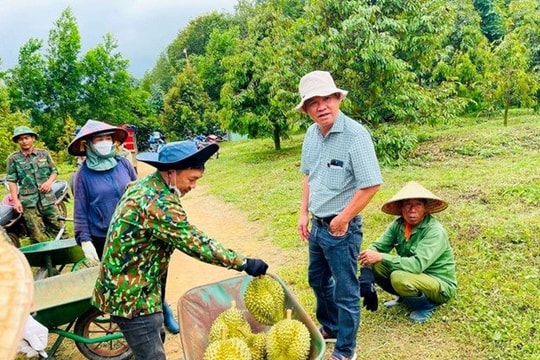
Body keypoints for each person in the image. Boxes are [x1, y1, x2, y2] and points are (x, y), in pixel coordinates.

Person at [92, 140, 269, 359]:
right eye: (192, 179)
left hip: (139, 286)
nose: (193, 187)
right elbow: (195, 242)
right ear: (171, 173)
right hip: (131, 297)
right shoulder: (158, 202)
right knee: (152, 354)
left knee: (156, 337)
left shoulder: (147, 184)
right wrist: (244, 262)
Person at [296, 70, 382, 360]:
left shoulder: (355, 135)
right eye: (313, 102)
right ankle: (331, 327)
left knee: (345, 290)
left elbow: (371, 184)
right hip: (318, 225)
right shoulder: (311, 135)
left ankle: (346, 350)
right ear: (306, 109)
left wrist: (344, 218)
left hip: (342, 229)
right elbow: (308, 175)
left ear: (338, 99)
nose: (321, 106)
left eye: (327, 99)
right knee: (317, 280)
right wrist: (303, 213)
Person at [69, 119, 179, 334]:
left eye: (107, 138)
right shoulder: (82, 175)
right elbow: (80, 209)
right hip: (105, 237)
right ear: (89, 144)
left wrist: (164, 196)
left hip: (136, 232)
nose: (104, 142)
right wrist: (83, 238)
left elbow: (140, 191)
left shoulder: (123, 164)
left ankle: (162, 309)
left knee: (152, 274)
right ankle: (139, 324)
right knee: (126, 283)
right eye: (99, 139)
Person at [359, 181, 457, 323]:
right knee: (376, 264)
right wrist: (367, 272)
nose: (412, 209)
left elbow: (416, 265)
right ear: (401, 208)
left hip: (439, 283)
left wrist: (380, 256)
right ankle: (404, 297)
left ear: (425, 209)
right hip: (413, 274)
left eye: (417, 204)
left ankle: (426, 306)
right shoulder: (398, 225)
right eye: (407, 205)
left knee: (398, 277)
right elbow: (377, 248)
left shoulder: (435, 231)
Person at [5, 126, 64, 243]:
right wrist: (16, 201)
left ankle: (66, 255)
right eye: (20, 139)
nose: (24, 141)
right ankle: (43, 260)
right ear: (17, 141)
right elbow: (12, 180)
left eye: (26, 138)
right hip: (29, 202)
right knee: (36, 236)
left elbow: (54, 171)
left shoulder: (44, 154)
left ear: (33, 138)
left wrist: (48, 182)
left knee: (60, 228)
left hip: (47, 199)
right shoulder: (13, 159)